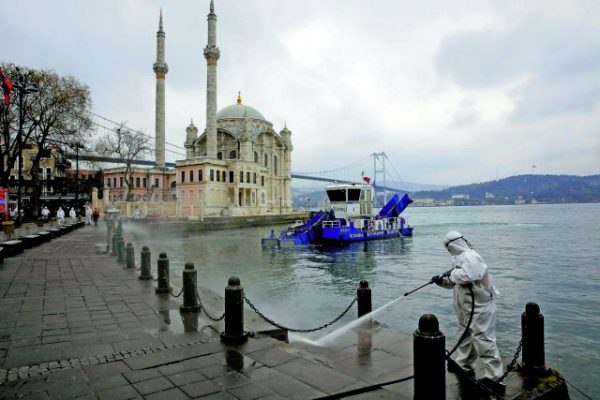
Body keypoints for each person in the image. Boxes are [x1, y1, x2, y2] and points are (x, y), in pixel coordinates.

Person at [431, 231, 505, 392]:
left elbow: (469, 275)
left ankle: (495, 377)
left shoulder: (471, 256)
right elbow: (454, 282)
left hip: (480, 308)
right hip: (467, 310)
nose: (448, 250)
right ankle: (462, 363)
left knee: (484, 341)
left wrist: (452, 273)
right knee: (465, 336)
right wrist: (441, 281)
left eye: (449, 247)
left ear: (454, 244)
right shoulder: (458, 259)